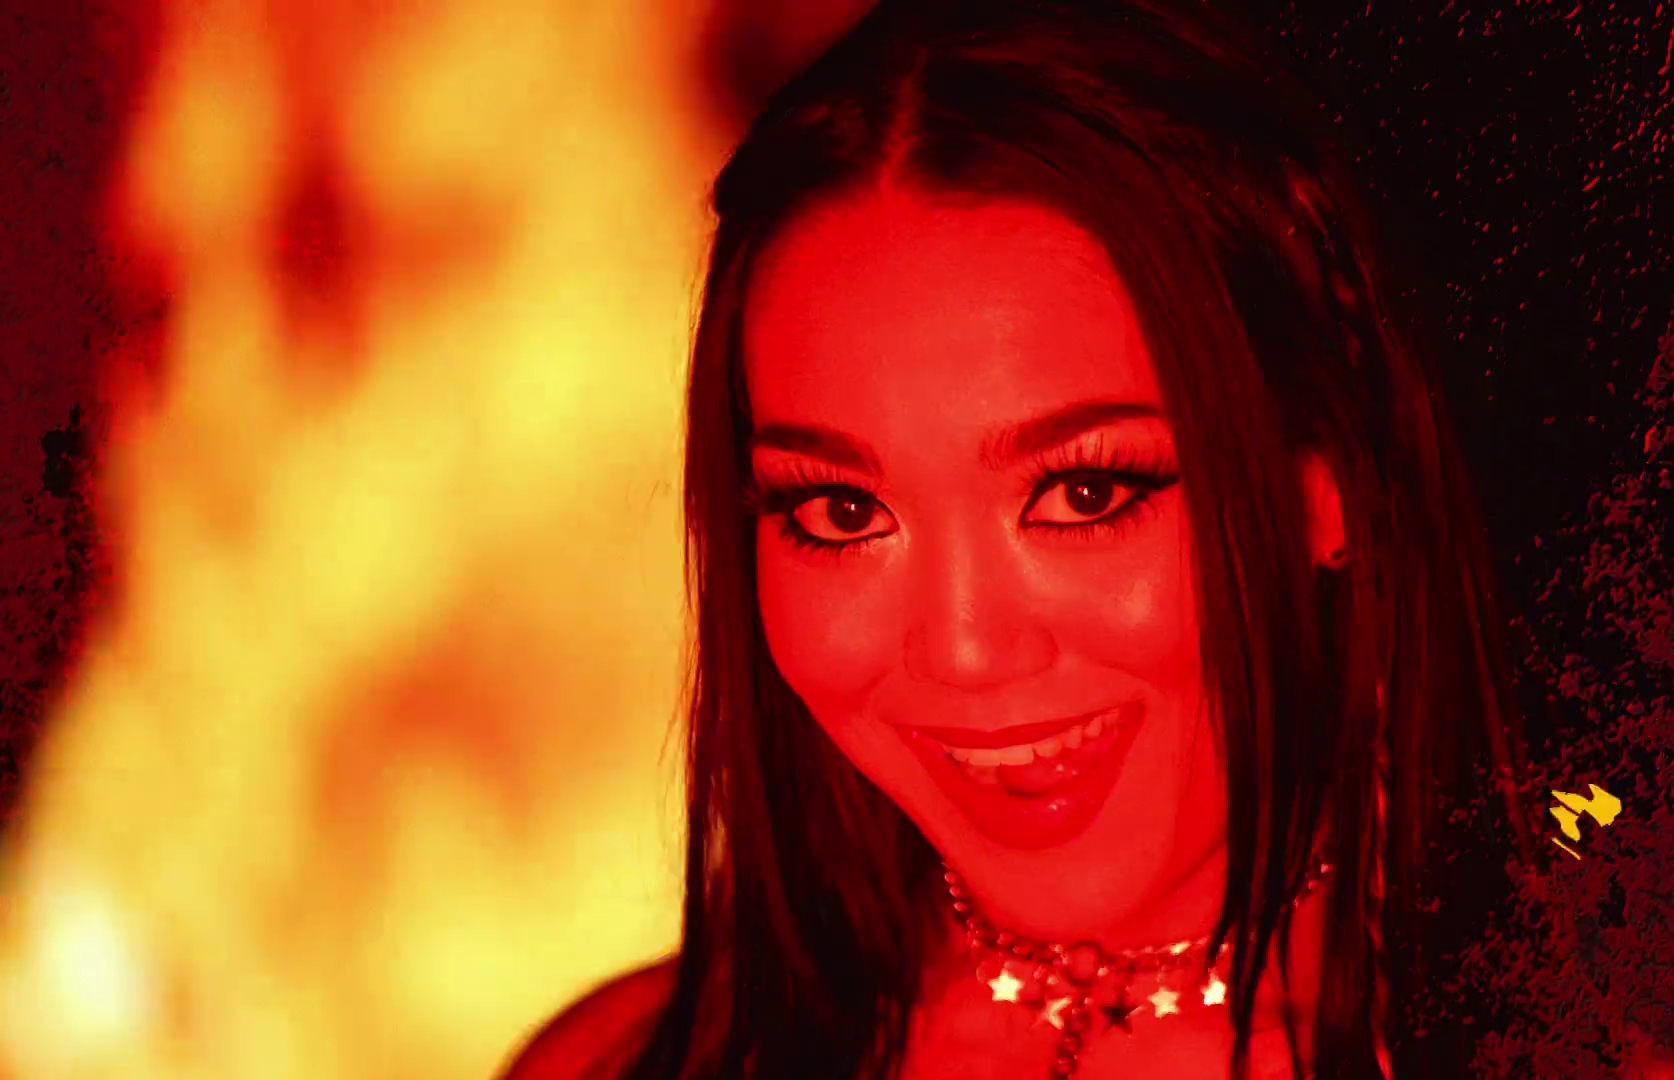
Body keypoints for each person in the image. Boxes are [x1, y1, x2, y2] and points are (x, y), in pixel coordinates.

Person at [502, 1, 1544, 1077]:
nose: (964, 651)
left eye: (1084, 494)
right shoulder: (618, 1060)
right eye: (844, 513)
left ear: (1327, 480)